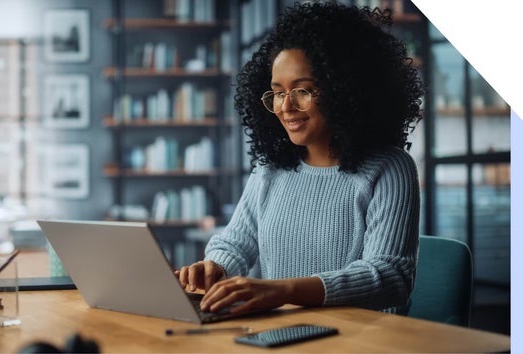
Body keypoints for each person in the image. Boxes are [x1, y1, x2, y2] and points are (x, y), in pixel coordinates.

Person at [176, 2, 423, 316]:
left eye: (302, 90)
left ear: (343, 89)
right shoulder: (269, 171)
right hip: (279, 335)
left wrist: (282, 291)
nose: (285, 107)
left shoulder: (389, 168)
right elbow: (235, 243)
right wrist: (215, 269)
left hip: (360, 341)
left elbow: (390, 277)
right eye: (278, 92)